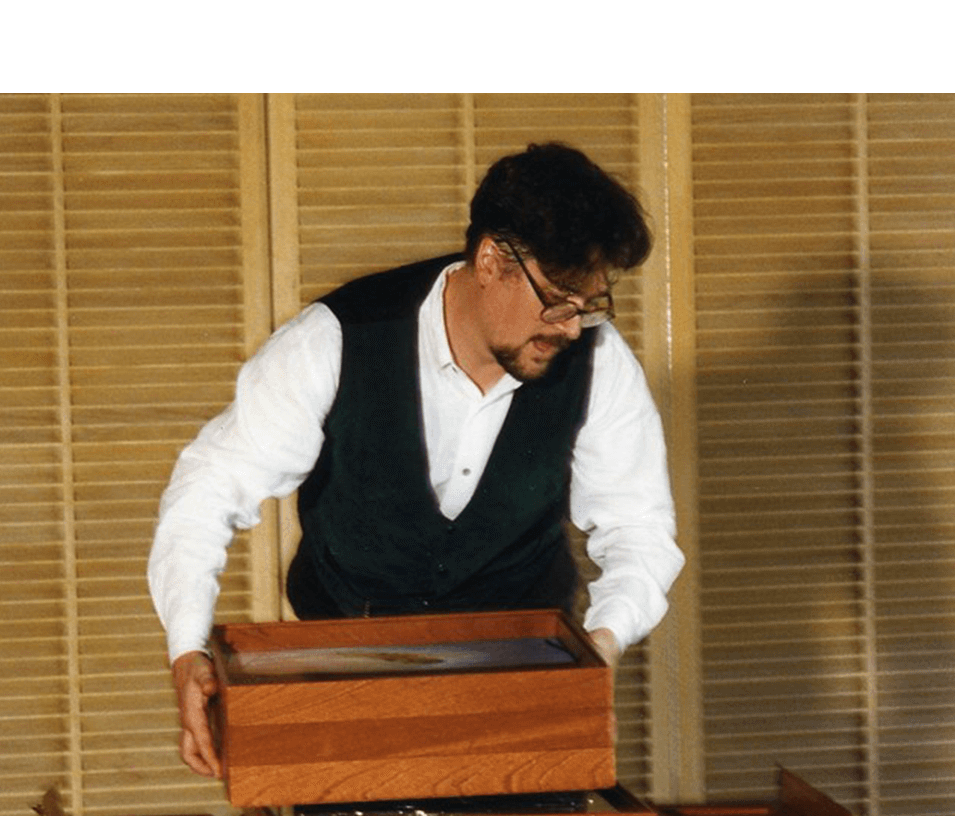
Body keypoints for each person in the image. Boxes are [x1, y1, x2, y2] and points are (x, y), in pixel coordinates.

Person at [149, 141, 684, 781]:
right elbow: (207, 492)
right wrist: (187, 646)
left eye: (590, 303)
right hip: (343, 685)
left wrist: (601, 645)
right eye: (560, 299)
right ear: (492, 260)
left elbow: (641, 530)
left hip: (522, 691)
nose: (572, 327)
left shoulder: (599, 362)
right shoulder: (336, 341)